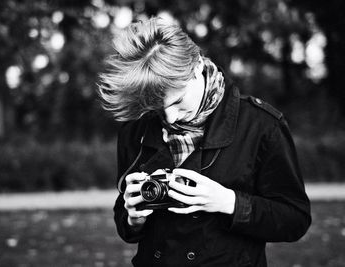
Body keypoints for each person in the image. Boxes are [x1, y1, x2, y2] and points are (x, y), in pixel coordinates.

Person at [98, 17, 311, 267]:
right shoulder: (136, 129)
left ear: (197, 65)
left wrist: (228, 201)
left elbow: (294, 219)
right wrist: (132, 218)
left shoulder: (261, 125)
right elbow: (124, 218)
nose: (170, 117)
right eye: (157, 106)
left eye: (177, 101)